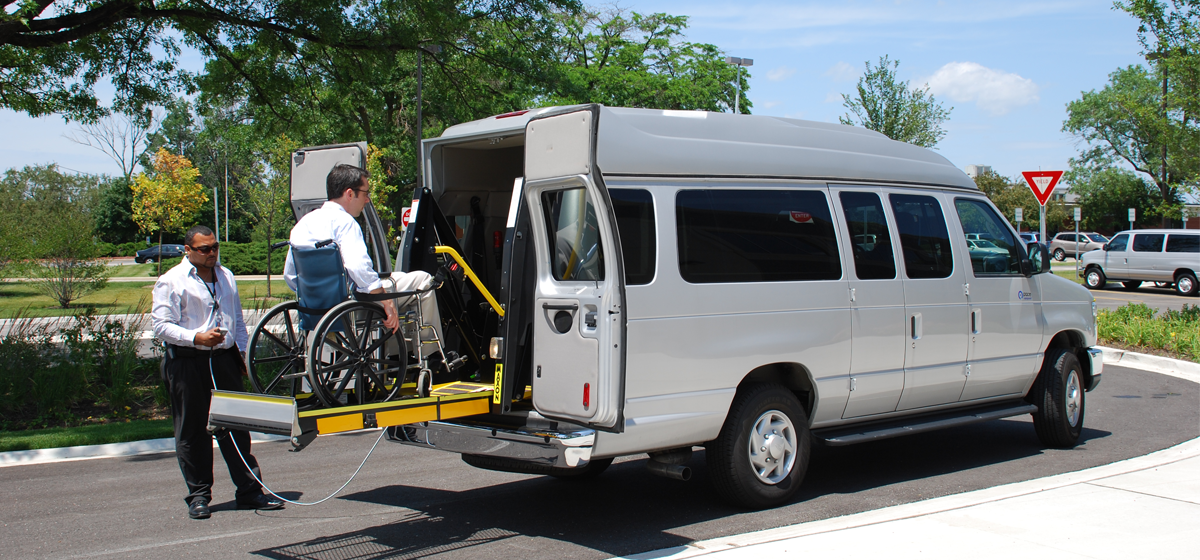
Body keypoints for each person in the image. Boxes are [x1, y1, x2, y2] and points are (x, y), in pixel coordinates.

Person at [151, 225, 283, 520]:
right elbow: (160, 326)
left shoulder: (226, 276)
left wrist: (245, 356)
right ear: (188, 250)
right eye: (204, 249)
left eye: (214, 247)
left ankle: (250, 491)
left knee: (236, 427)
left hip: (223, 359)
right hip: (187, 361)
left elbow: (237, 321)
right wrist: (196, 337)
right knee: (193, 431)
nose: (211, 253)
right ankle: (199, 496)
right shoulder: (171, 281)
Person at [284, 164, 440, 348]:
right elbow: (358, 268)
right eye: (365, 193)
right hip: (352, 302)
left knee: (399, 278)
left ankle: (398, 349)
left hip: (315, 305)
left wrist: (317, 296)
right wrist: (386, 300)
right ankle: (431, 353)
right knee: (423, 280)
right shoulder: (345, 223)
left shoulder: (303, 224)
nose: (367, 200)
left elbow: (290, 276)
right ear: (349, 193)